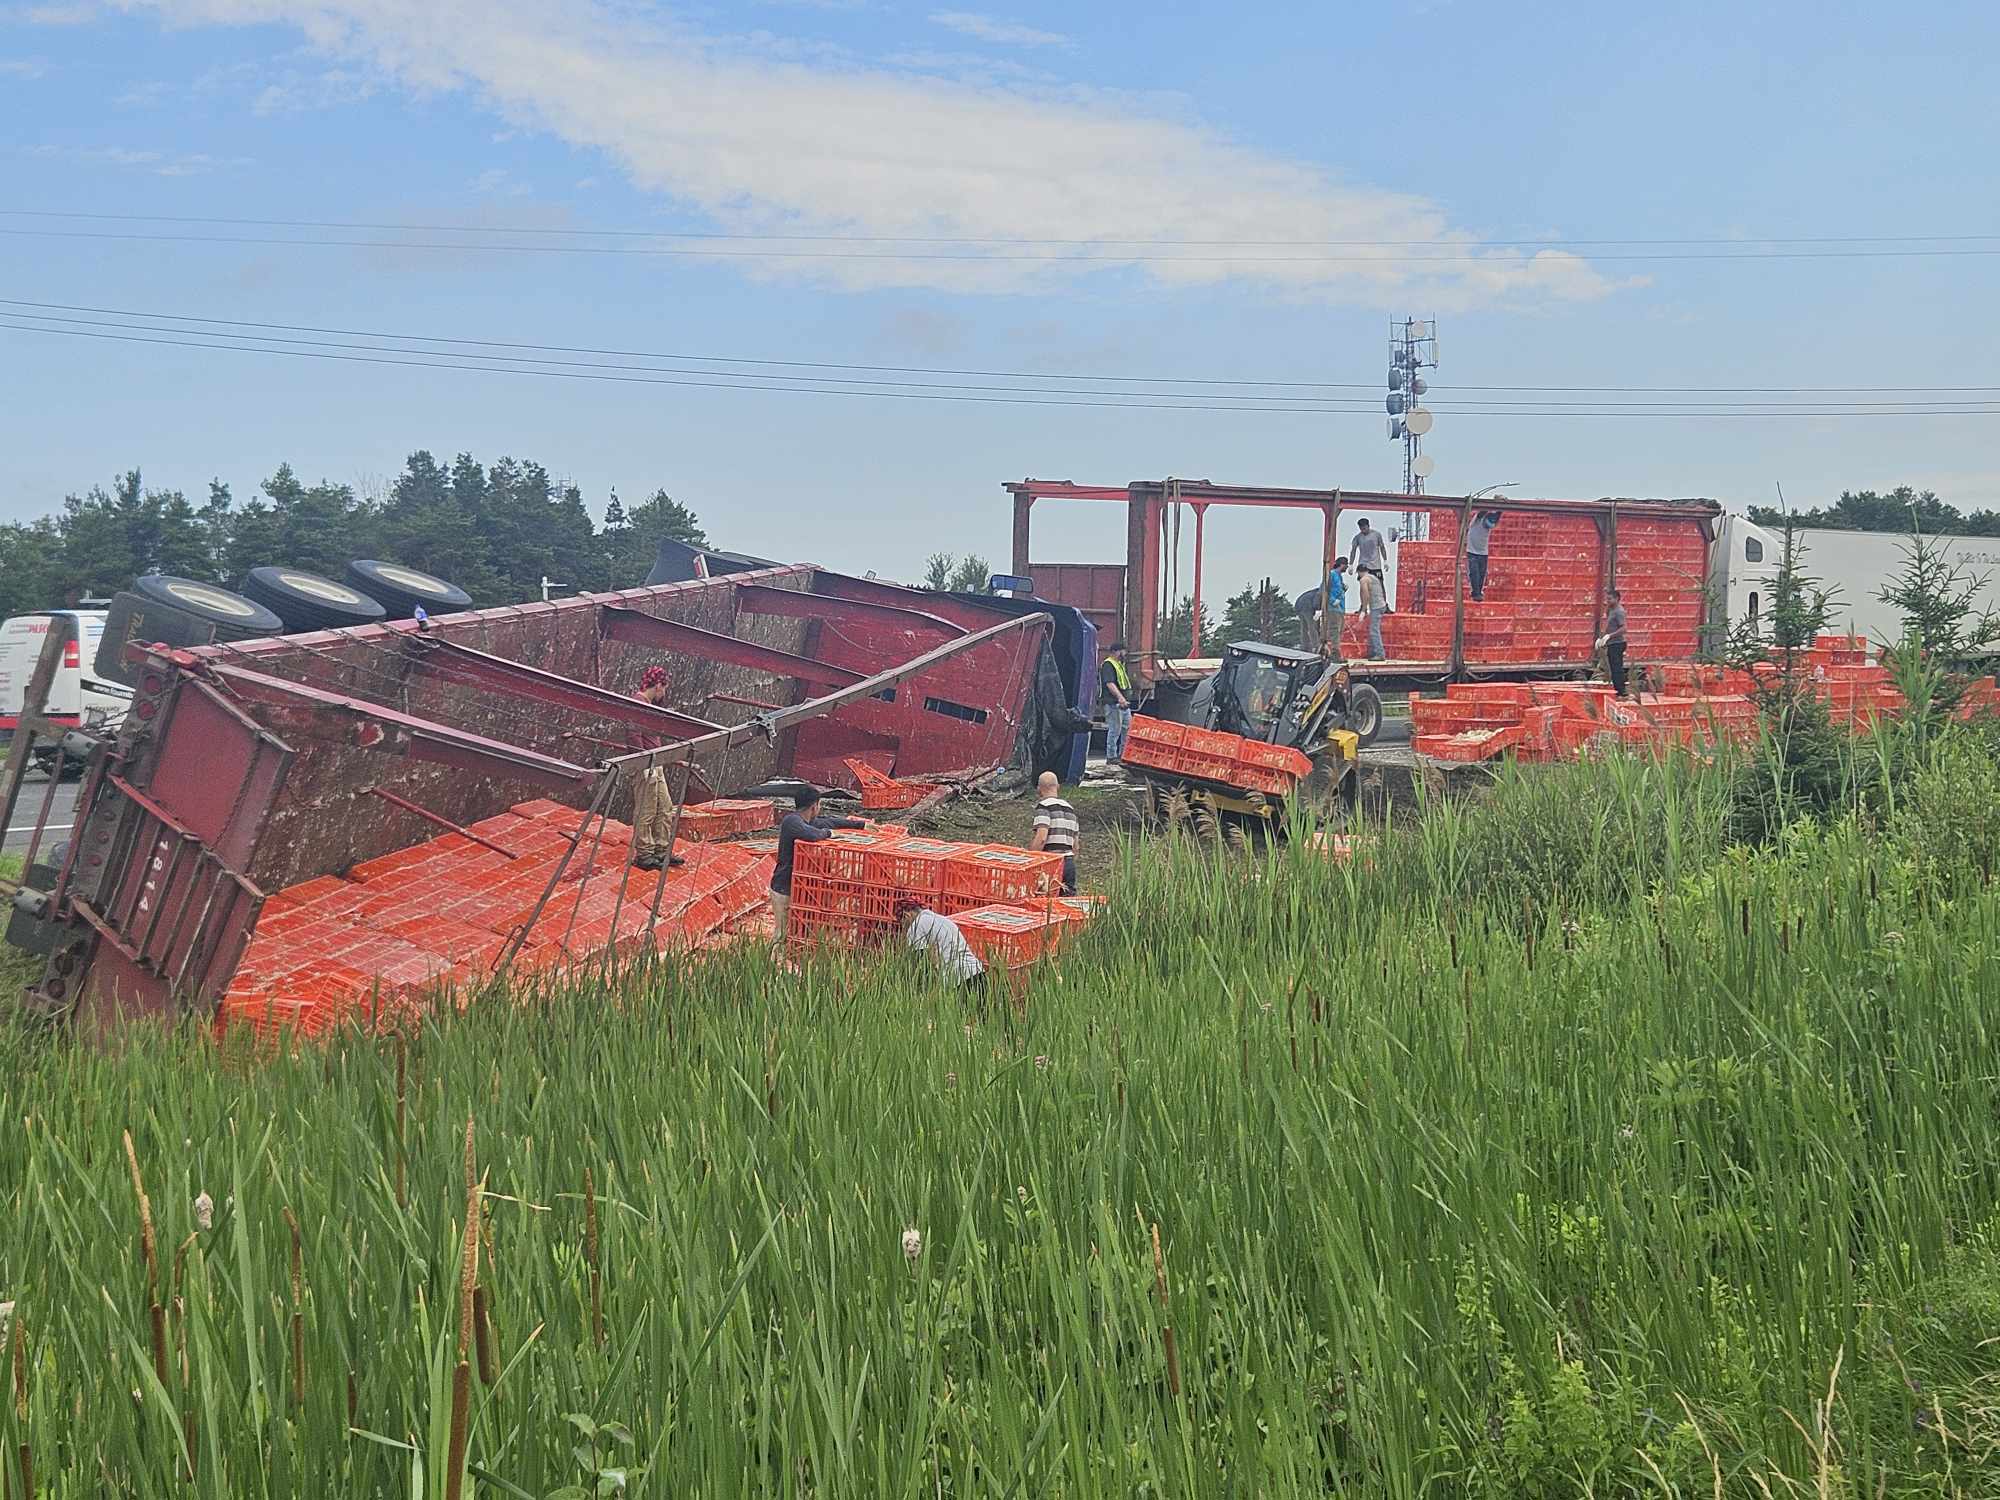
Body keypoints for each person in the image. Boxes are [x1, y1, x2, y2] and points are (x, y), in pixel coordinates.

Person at [769, 786, 865, 950]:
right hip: (783, 888)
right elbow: (812, 834)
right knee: (782, 935)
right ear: (815, 806)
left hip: (798, 889)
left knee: (798, 934)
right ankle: (772, 965)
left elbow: (831, 821)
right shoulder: (791, 821)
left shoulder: (808, 821)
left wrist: (860, 825)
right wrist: (829, 834)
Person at [630, 665, 685, 871]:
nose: (665, 693)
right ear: (659, 685)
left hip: (656, 763)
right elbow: (633, 734)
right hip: (646, 764)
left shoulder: (648, 704)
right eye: (665, 688)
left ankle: (662, 850)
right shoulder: (638, 703)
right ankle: (644, 854)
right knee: (646, 809)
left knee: (665, 807)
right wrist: (643, 763)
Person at [894, 898, 986, 987]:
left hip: (958, 980)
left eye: (902, 923)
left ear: (906, 915)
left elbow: (921, 964)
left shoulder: (915, 926)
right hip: (978, 972)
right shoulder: (945, 920)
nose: (904, 928)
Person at [1027, 771, 1080, 894]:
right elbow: (1075, 845)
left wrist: (1030, 859)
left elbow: (1041, 837)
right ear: (1058, 787)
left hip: (1051, 863)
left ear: (1039, 789)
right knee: (1066, 902)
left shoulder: (1044, 807)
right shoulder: (1070, 809)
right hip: (1069, 863)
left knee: (1047, 902)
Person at [1098, 641, 1132, 763]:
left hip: (1122, 704)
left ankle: (1123, 755)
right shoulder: (1108, 665)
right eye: (1123, 651)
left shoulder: (1118, 664)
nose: (1125, 653)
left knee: (1127, 729)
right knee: (1115, 729)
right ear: (1115, 652)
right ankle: (1111, 756)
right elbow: (1110, 683)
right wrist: (1120, 698)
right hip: (1114, 703)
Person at [1596, 589, 1630, 697]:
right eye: (1607, 598)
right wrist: (1601, 638)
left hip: (1617, 643)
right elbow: (1608, 626)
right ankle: (1618, 690)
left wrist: (1610, 636)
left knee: (1617, 668)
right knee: (1613, 668)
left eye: (1610, 599)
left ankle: (1621, 691)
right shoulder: (1611, 610)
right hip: (1611, 643)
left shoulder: (1619, 611)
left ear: (1617, 599)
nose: (1608, 601)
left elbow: (1624, 628)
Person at [1465, 510, 1501, 602]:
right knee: (1474, 573)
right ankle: (1475, 592)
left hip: (1483, 552)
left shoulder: (1490, 524)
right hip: (1472, 551)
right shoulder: (1477, 520)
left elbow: (1497, 517)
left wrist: (1500, 509)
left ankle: (1478, 592)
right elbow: (1481, 512)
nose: (1488, 527)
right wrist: (1488, 506)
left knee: (1482, 574)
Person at [1357, 566, 1388, 661]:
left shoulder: (1364, 579)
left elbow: (1365, 594)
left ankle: (1380, 654)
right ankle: (1373, 652)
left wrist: (1363, 609)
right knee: (1373, 629)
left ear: (1359, 572)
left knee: (1374, 630)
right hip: (1382, 604)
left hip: (1376, 606)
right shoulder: (1374, 577)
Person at [1350, 518, 1389, 586]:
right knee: (1364, 585)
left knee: (1379, 585)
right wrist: (1351, 564)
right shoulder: (1357, 537)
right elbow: (1353, 551)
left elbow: (1382, 547)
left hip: (1375, 565)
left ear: (1368, 526)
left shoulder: (1376, 535)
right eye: (1361, 529)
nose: (1363, 530)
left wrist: (1385, 560)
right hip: (1363, 566)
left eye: (1364, 528)